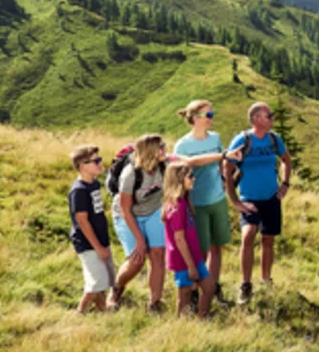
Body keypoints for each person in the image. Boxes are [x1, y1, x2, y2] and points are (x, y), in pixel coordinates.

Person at [108, 133, 235, 314]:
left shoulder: (165, 163)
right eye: (161, 147)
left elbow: (192, 161)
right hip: (127, 214)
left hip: (153, 211)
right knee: (137, 260)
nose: (165, 150)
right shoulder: (130, 174)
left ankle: (154, 303)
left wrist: (223, 156)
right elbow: (125, 209)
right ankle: (117, 288)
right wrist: (140, 240)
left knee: (158, 254)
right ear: (150, 152)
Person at [224, 102, 292, 304]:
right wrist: (235, 201)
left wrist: (285, 183)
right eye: (268, 115)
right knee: (248, 235)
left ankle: (266, 280)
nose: (272, 118)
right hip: (249, 198)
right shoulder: (242, 140)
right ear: (256, 119)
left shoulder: (274, 139)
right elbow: (226, 170)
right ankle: (245, 284)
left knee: (268, 240)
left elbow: (286, 160)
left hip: (271, 197)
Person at [174, 99, 232, 303]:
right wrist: (221, 156)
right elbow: (187, 165)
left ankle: (213, 287)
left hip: (217, 199)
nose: (212, 118)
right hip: (196, 204)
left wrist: (224, 180)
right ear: (196, 118)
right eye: (208, 115)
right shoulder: (182, 145)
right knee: (202, 249)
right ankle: (198, 288)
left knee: (217, 246)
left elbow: (220, 163)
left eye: (212, 114)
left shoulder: (215, 138)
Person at [162, 162, 215, 318]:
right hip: (183, 260)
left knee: (209, 287)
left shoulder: (184, 202)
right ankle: (181, 326)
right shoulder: (176, 207)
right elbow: (179, 239)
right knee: (184, 294)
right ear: (179, 179)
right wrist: (191, 266)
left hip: (194, 256)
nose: (193, 179)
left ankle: (202, 319)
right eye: (190, 176)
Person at [68, 145, 116, 314]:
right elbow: (82, 221)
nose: (99, 163)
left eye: (100, 159)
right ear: (82, 166)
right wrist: (98, 247)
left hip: (100, 239)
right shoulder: (79, 191)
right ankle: (80, 313)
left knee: (103, 280)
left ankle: (102, 310)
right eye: (95, 161)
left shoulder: (94, 184)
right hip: (88, 243)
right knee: (96, 283)